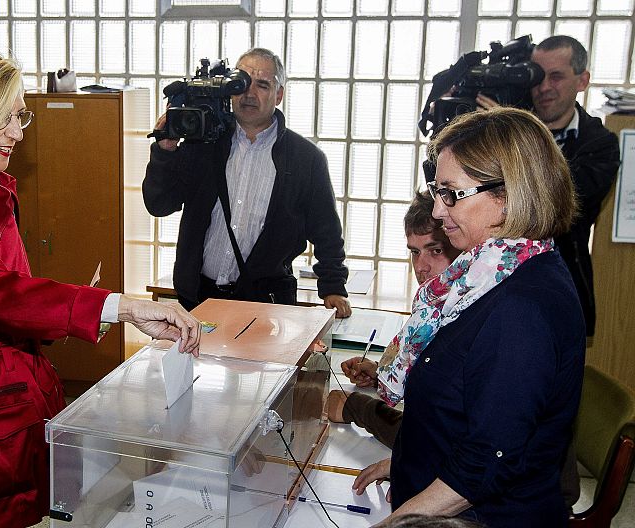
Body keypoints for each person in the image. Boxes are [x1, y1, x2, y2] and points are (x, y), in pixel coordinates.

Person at [0, 43, 201, 528]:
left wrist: (77, 312)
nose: (17, 133)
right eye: (5, 118)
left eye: (20, 117)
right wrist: (118, 307)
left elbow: (13, 295)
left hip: (14, 388)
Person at [353, 107, 584, 527]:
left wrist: (395, 523)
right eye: (436, 190)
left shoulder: (522, 308)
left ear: (510, 194)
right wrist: (407, 463)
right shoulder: (487, 272)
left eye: (452, 193)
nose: (439, 212)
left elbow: (486, 461)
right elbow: (461, 408)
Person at [143, 47, 351, 318]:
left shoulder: (305, 159)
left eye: (263, 85)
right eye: (240, 83)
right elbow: (159, 204)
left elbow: (326, 231)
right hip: (198, 298)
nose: (249, 93)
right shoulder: (203, 145)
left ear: (279, 95)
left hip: (265, 304)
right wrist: (165, 152)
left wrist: (333, 287)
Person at [476, 35, 620, 336]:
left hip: (558, 286)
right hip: (485, 281)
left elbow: (558, 208)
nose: (543, 88)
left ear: (582, 80)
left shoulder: (600, 144)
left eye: (556, 77)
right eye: (538, 76)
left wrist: (516, 135)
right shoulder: (505, 120)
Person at [326, 190, 460, 448]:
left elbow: (438, 441)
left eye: (436, 250)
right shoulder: (434, 305)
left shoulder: (465, 315)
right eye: (414, 252)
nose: (421, 267)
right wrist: (382, 375)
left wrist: (355, 408)